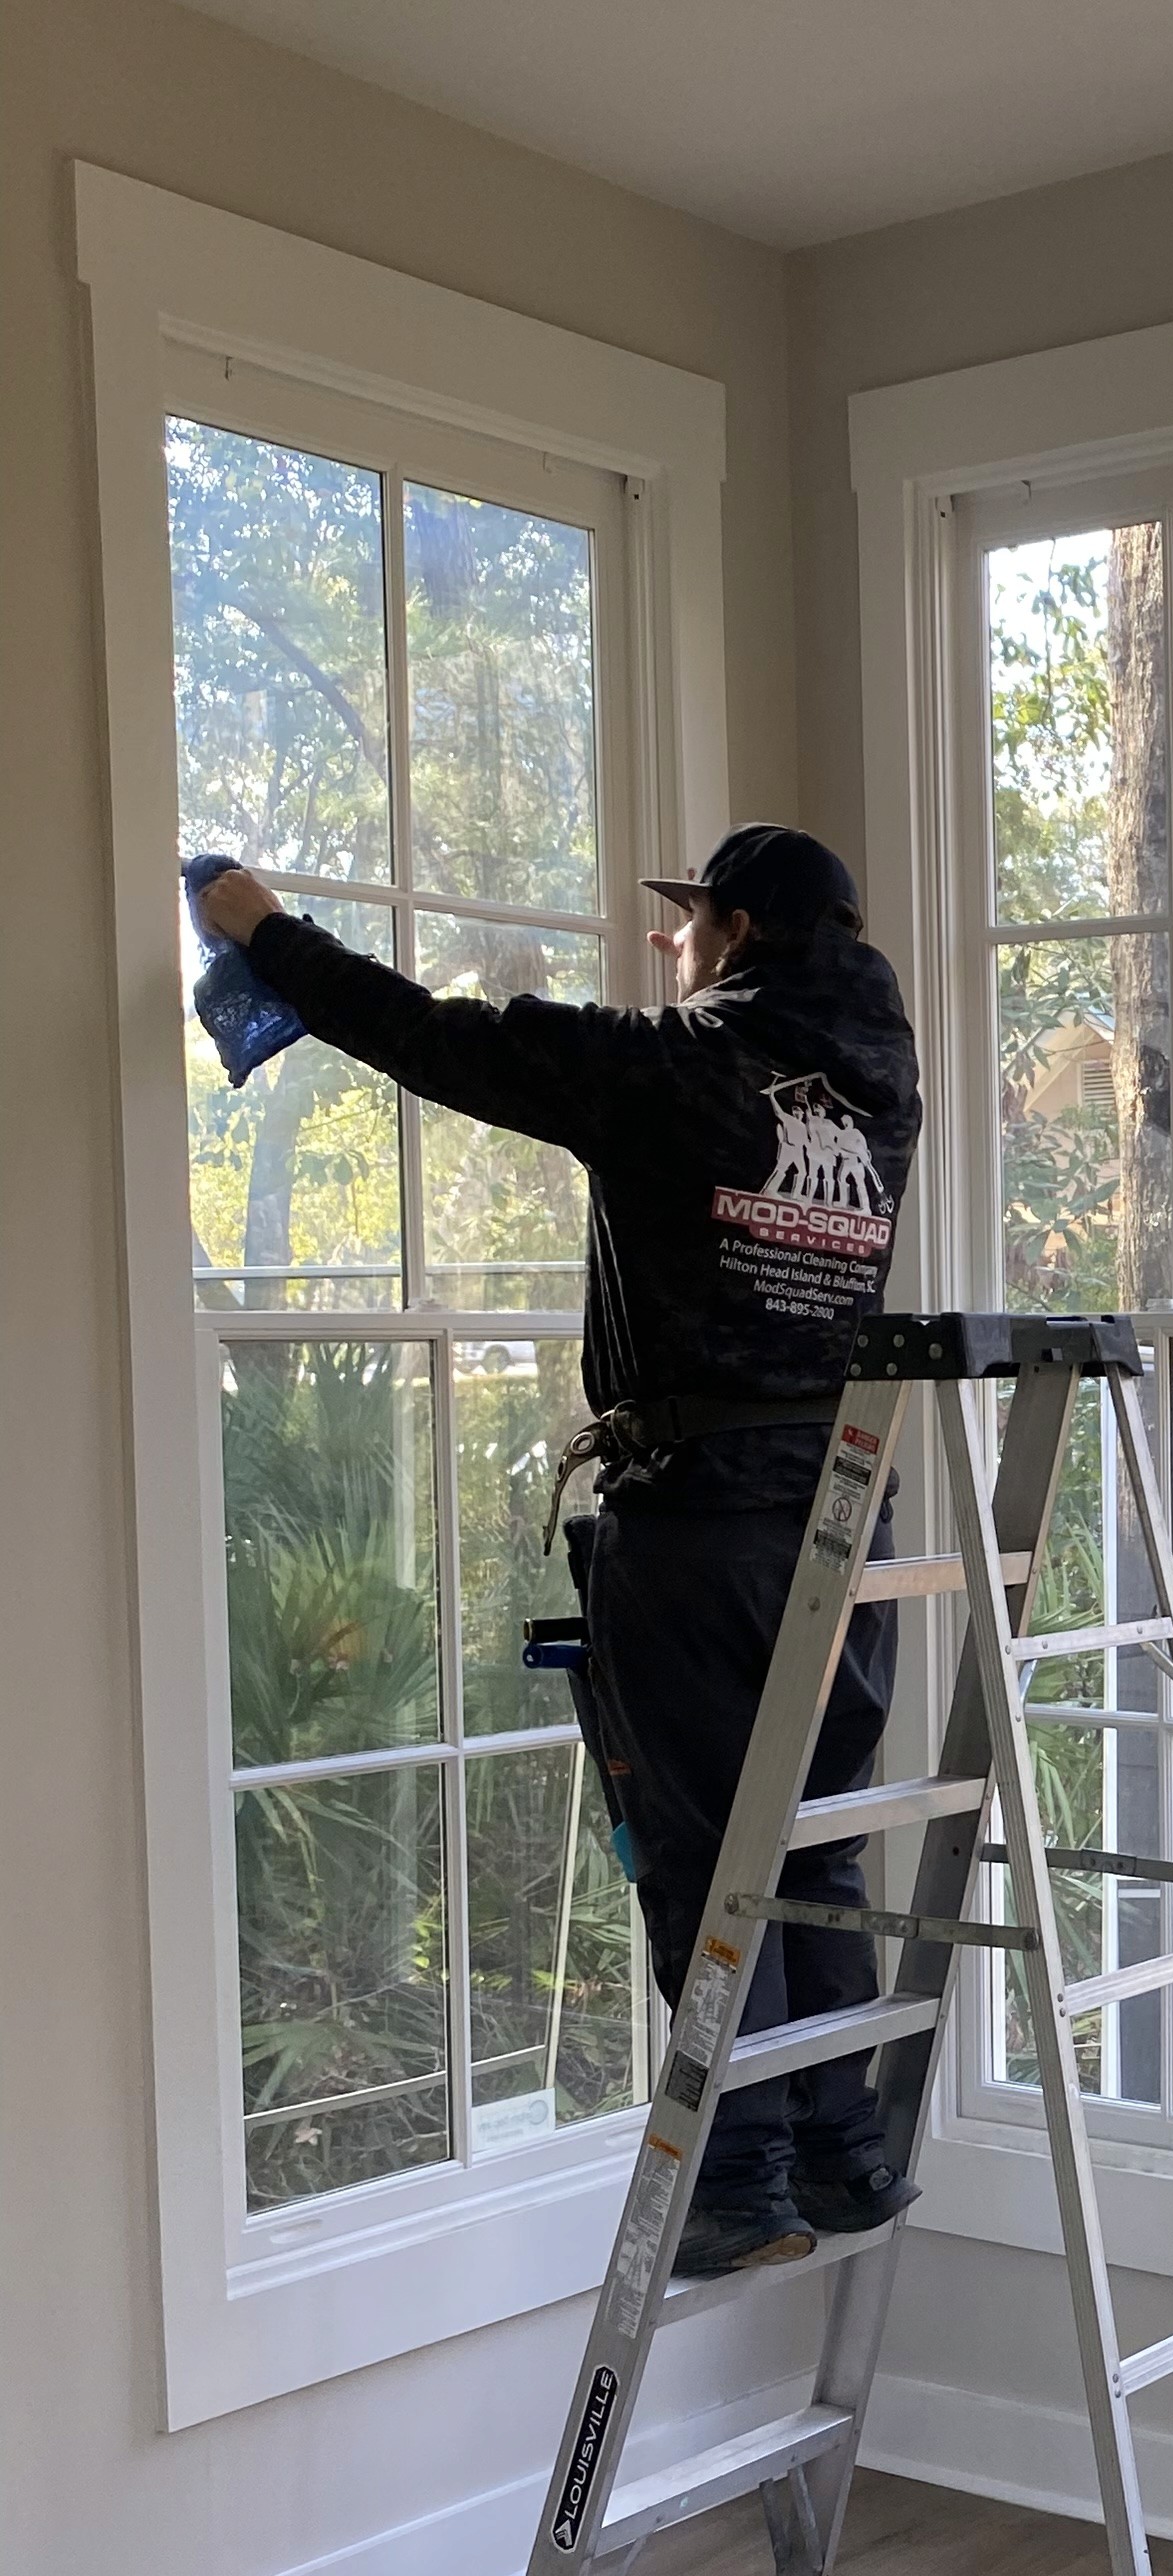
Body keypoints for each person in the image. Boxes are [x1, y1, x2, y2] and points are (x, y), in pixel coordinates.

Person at [192, 827, 924, 2280]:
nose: (668, 947)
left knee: (706, 1866)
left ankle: (738, 2182)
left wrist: (260, 931)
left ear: (740, 930)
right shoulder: (883, 1079)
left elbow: (435, 1041)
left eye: (687, 922)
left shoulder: (675, 1072)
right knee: (812, 1845)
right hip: (845, 1520)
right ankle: (844, 2151)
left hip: (704, 1521)